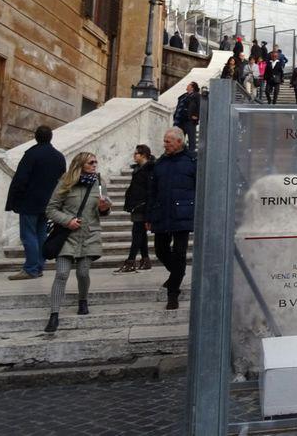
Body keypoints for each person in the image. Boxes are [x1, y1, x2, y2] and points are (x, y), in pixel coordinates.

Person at [44, 152, 111, 333]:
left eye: (96, 161)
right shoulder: (65, 183)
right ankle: (54, 314)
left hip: (90, 234)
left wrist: (105, 208)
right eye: (91, 162)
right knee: (62, 274)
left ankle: (83, 300)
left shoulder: (99, 183)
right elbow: (51, 209)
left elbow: (103, 210)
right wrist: (68, 220)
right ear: (80, 164)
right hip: (67, 235)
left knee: (83, 273)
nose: (95, 164)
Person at [5, 126, 67, 280]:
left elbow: (20, 179)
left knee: (28, 235)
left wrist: (14, 199)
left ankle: (31, 268)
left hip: (29, 201)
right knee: (41, 234)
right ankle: (39, 266)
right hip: (49, 203)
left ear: (36, 137)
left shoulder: (32, 154)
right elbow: (62, 181)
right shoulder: (59, 157)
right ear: (51, 137)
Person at [147, 128, 196, 310]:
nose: (164, 144)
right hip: (161, 213)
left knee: (180, 252)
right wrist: (149, 214)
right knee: (160, 250)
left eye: (168, 141)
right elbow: (152, 191)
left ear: (179, 142)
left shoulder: (192, 161)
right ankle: (178, 273)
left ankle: (173, 293)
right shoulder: (160, 163)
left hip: (183, 214)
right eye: (164, 141)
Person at [114, 145, 154, 273]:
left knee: (137, 233)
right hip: (137, 204)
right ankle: (145, 259)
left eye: (136, 153)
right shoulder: (138, 169)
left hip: (143, 205)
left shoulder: (149, 169)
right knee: (140, 233)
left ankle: (131, 261)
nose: (134, 155)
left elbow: (149, 190)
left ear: (143, 155)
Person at [173, 82, 201, 150]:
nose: (187, 85)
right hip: (180, 120)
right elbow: (179, 106)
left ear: (192, 87)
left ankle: (191, 154)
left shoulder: (197, 96)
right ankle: (179, 153)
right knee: (179, 139)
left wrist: (197, 116)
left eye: (189, 85)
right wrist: (175, 115)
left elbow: (200, 106)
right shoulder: (183, 96)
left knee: (191, 139)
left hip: (189, 121)